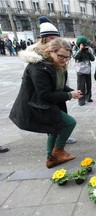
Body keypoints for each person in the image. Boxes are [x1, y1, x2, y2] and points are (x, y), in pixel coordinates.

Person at [9, 38, 83, 168]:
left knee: (54, 128)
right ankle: (57, 152)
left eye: (67, 58)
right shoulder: (39, 67)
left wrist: (71, 91)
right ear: (51, 51)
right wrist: (69, 95)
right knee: (69, 122)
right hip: (36, 105)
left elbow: (58, 85)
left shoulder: (57, 64)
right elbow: (45, 94)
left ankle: (51, 158)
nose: (64, 60)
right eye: (61, 56)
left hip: (46, 103)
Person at [20, 16, 77, 145]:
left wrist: (69, 91)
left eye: (56, 38)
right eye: (51, 38)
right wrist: (68, 94)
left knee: (61, 121)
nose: (54, 41)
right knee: (58, 124)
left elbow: (60, 81)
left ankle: (57, 147)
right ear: (44, 39)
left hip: (56, 93)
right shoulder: (37, 60)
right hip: (43, 100)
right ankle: (54, 153)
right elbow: (43, 92)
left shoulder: (59, 57)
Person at [73, 36, 95, 106]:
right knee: (81, 85)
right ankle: (81, 100)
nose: (84, 45)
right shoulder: (75, 48)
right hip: (80, 69)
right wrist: (80, 49)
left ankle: (88, 97)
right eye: (83, 44)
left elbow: (93, 59)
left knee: (89, 84)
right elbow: (75, 57)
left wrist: (88, 52)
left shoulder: (88, 48)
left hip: (87, 68)